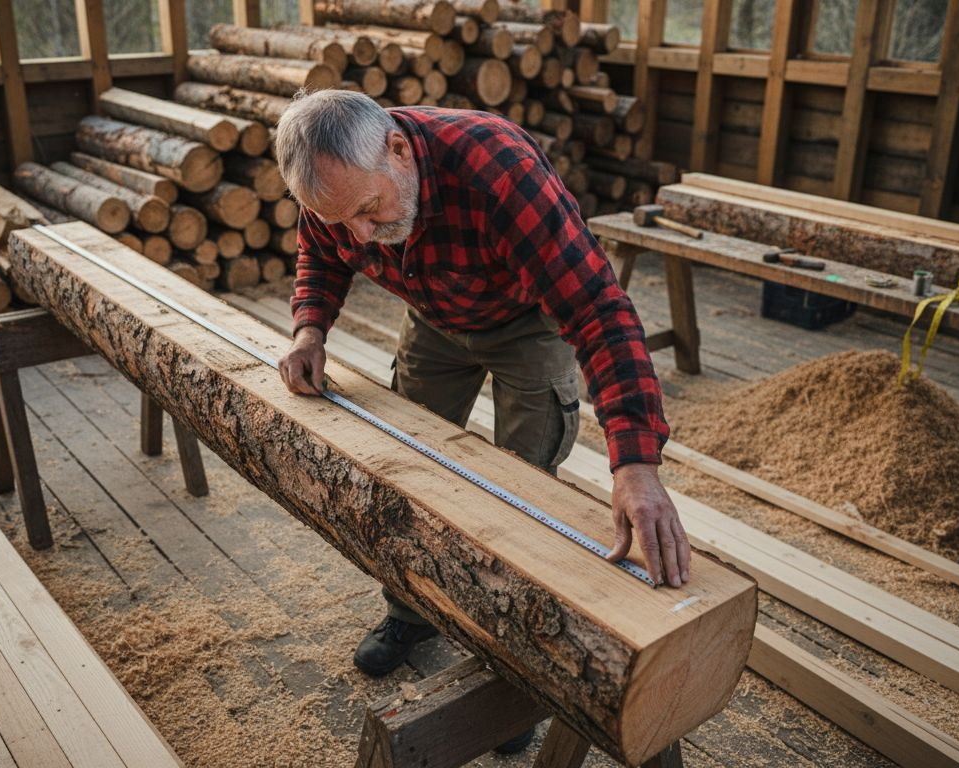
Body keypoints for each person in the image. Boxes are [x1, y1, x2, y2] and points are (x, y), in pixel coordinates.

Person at [272, 91, 690, 748]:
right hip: (435, 317)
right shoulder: (338, 190)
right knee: (410, 473)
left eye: (367, 211)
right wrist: (308, 329)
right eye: (339, 219)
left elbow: (599, 314)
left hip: (529, 324)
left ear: (400, 150)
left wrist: (635, 464)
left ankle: (514, 674)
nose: (358, 234)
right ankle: (410, 613)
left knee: (521, 501)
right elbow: (321, 255)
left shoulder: (497, 167)